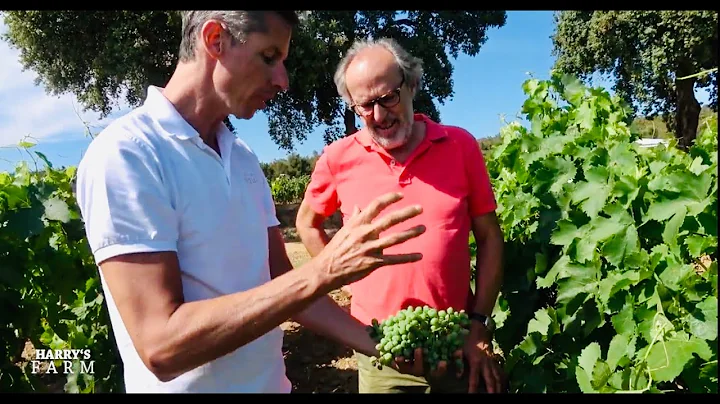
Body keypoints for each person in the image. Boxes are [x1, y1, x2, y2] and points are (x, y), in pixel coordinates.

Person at [74, 11, 436, 393]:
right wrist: (322, 271)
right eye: (269, 57)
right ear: (216, 40)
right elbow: (161, 345)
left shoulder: (242, 157)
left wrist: (379, 345)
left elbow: (285, 287)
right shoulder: (128, 155)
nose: (282, 80)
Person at [295, 37, 506, 394]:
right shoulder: (337, 158)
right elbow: (306, 223)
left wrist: (478, 323)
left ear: (411, 84)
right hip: (381, 351)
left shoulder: (460, 146)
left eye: (387, 98)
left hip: (455, 342)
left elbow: (489, 238)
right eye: (364, 106)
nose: (378, 116)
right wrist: (342, 276)